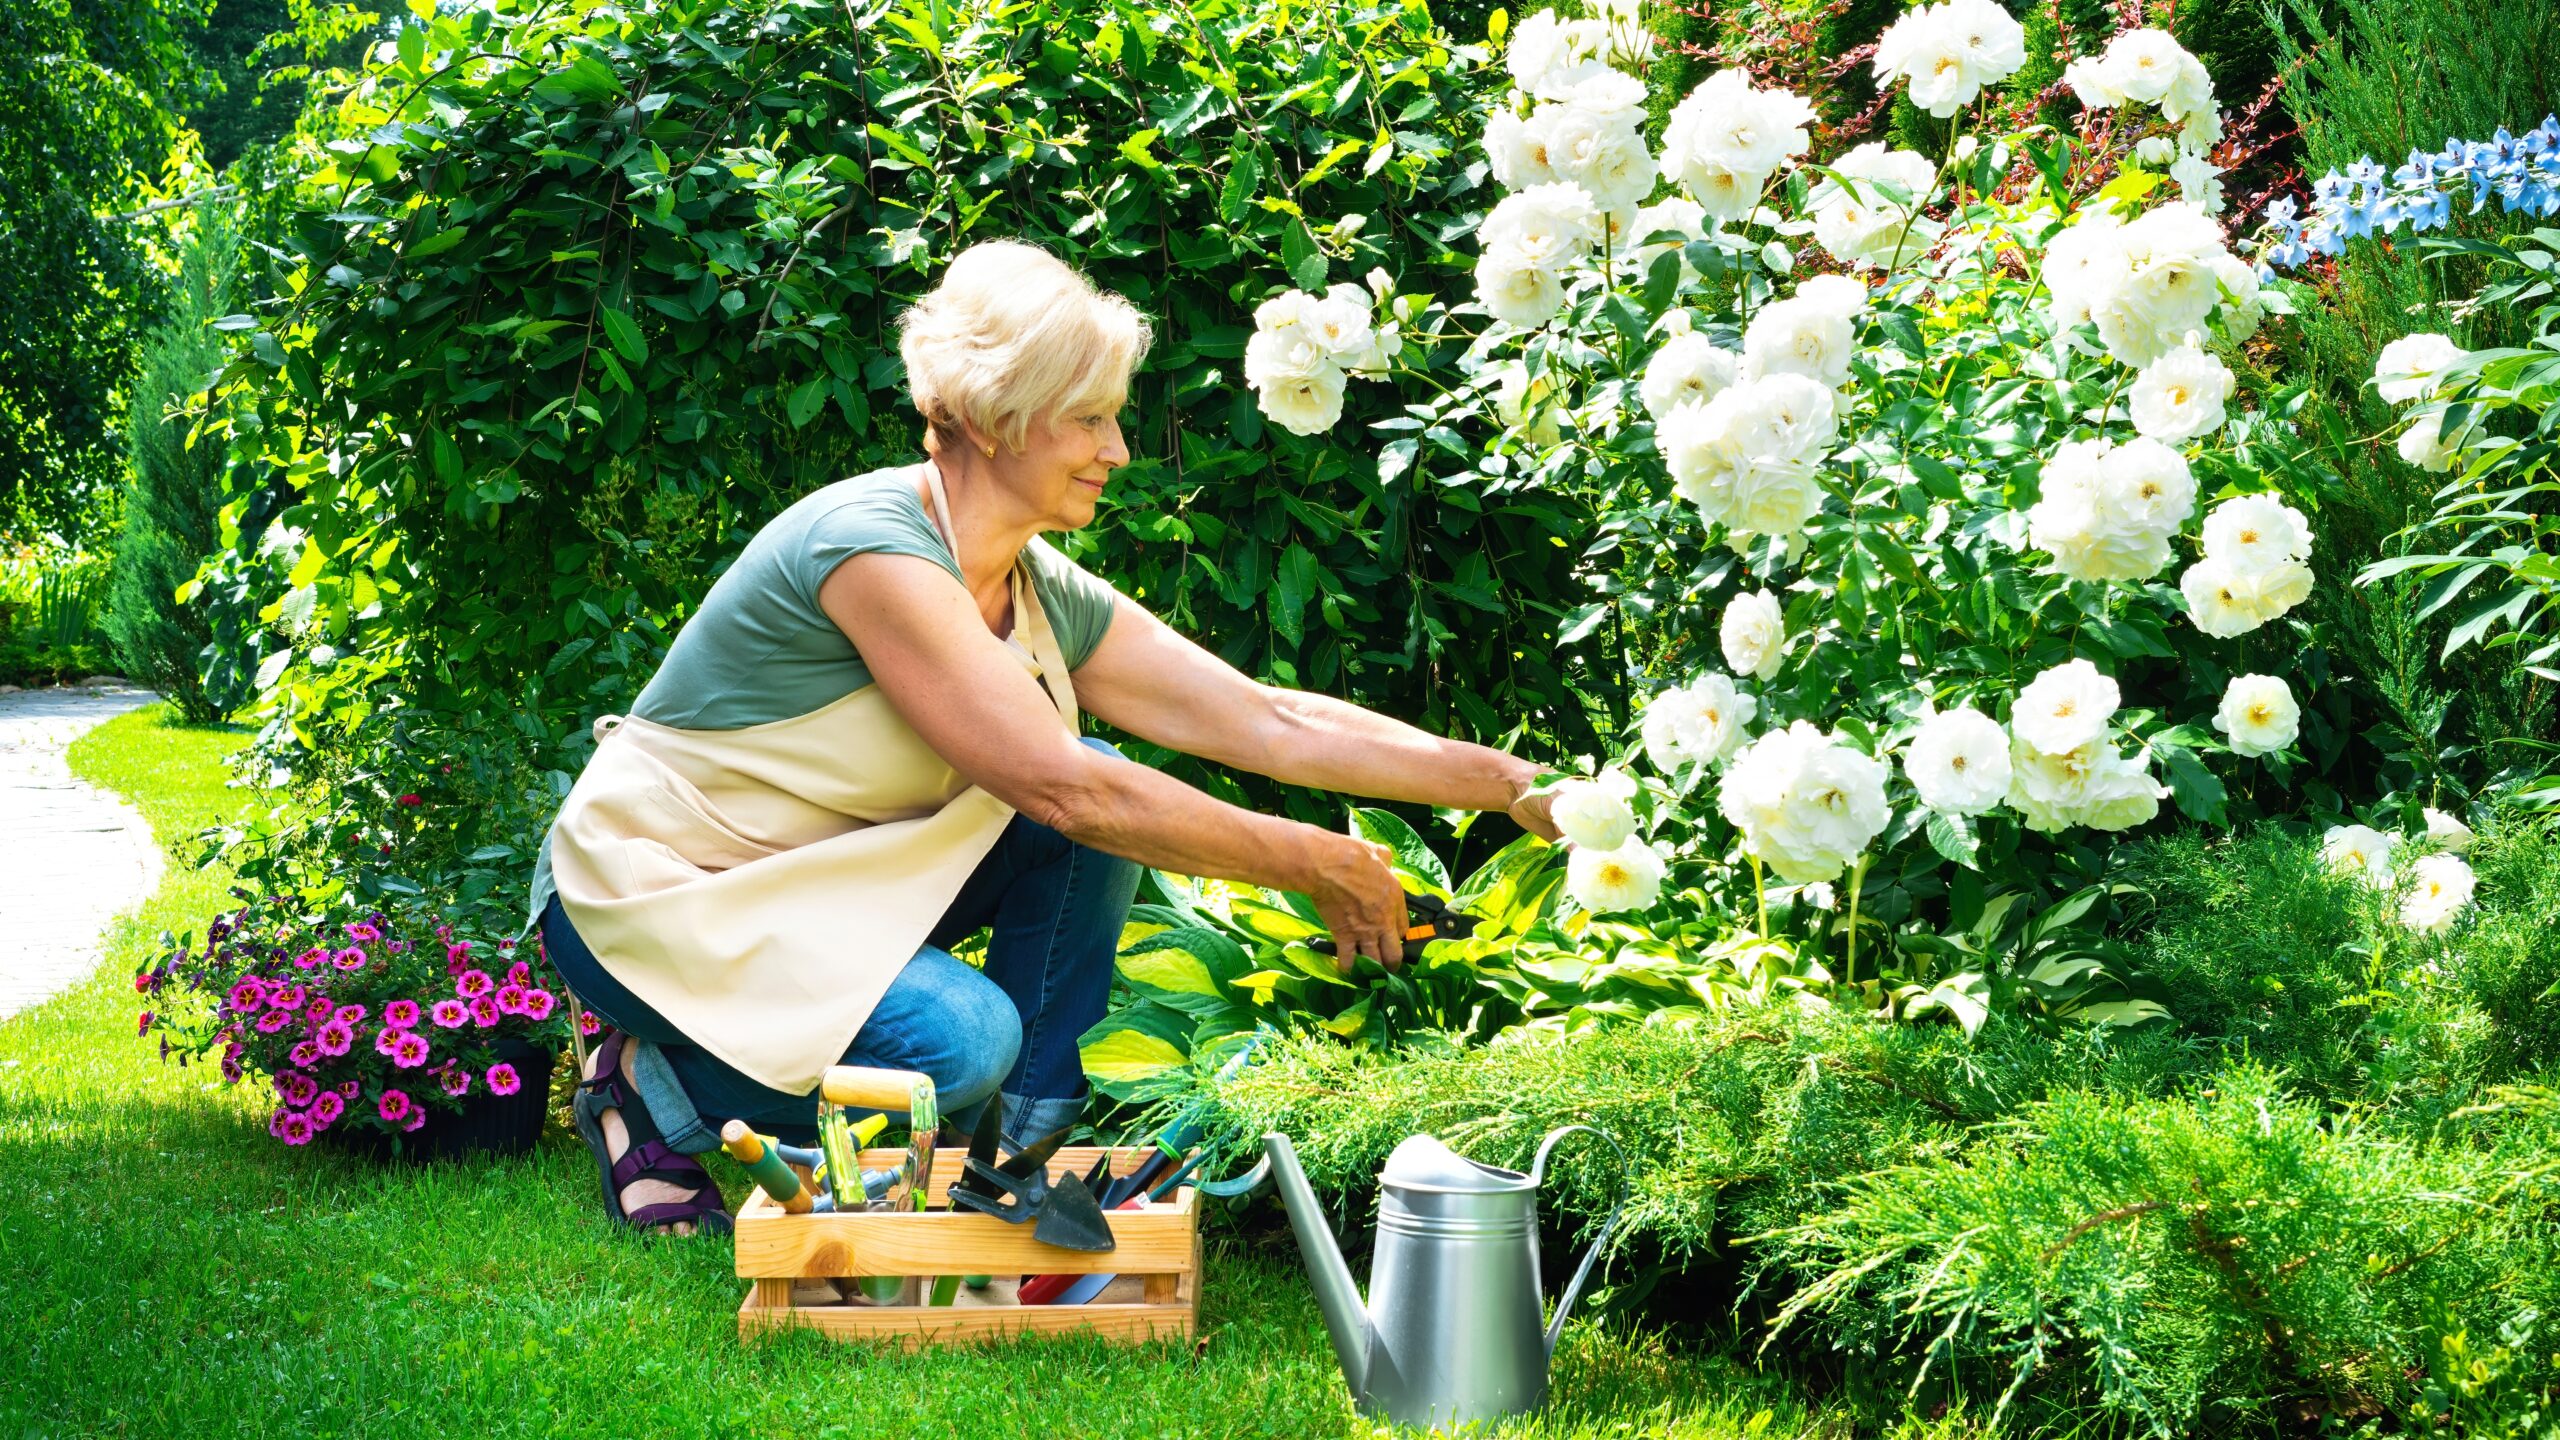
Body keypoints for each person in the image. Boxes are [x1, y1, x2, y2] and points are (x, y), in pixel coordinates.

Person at [533, 238, 1561, 1235]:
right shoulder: (868, 551)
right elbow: (1065, 789)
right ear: (993, 417)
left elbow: (1266, 717)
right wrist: (1317, 862)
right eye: (1090, 419)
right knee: (957, 1041)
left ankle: (1013, 1162)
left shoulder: (1029, 583)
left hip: (824, 893)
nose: (1116, 450)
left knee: (1095, 803)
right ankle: (650, 1082)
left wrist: (1512, 784)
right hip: (661, 895)